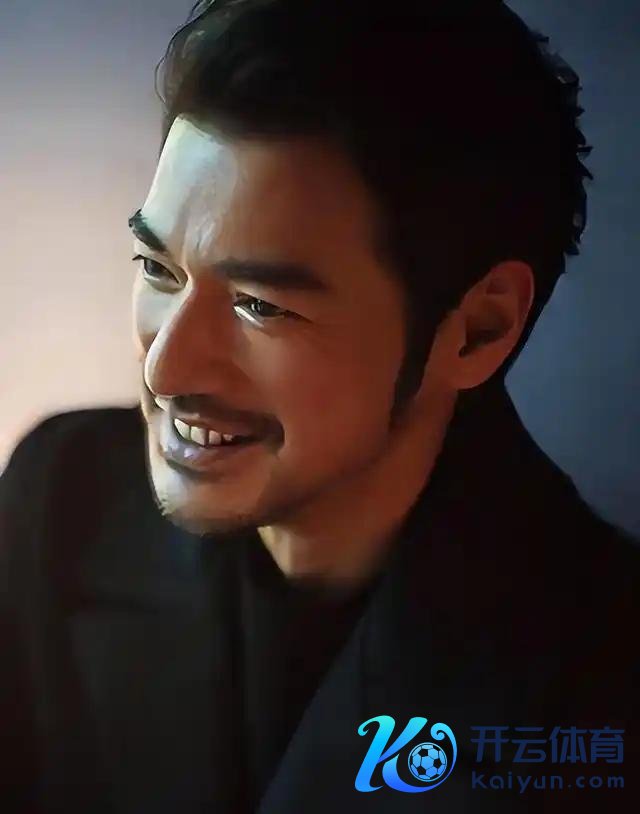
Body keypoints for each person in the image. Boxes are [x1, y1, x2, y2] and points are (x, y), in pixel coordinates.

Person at [1, 1, 638, 811]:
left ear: (477, 329)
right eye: (158, 269)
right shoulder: (62, 497)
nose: (164, 369)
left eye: (260, 305)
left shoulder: (608, 670)